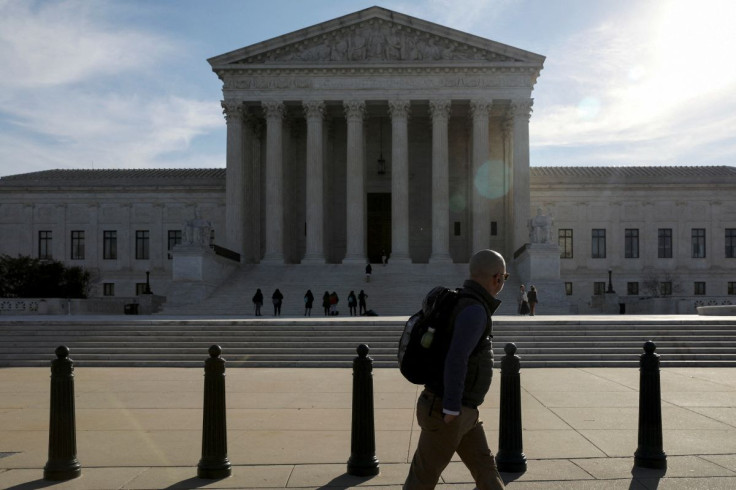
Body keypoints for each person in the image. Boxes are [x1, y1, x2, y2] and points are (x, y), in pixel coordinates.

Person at [404, 249, 507, 489]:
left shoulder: (466, 302)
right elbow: (456, 358)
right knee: (421, 480)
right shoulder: (474, 310)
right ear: (497, 278)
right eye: (504, 277)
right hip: (448, 411)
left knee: (486, 471)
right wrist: (451, 407)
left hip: (464, 411)